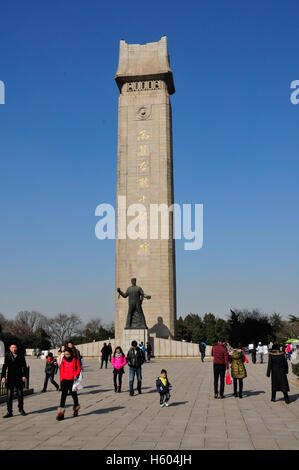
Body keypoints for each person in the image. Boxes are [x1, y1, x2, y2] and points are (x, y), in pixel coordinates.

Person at [1, 343, 27, 418]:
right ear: (10, 348)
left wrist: (24, 375)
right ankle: (9, 411)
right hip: (10, 378)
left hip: (19, 377)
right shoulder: (7, 356)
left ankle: (21, 409)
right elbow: (4, 367)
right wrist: (3, 377)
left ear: (17, 348)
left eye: (15, 347)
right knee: (9, 395)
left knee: (20, 394)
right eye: (12, 347)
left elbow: (24, 366)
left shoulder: (21, 356)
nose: (14, 348)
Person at [56, 347, 82, 420]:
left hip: (72, 380)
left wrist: (76, 375)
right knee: (63, 396)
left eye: (68, 354)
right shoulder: (63, 360)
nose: (66, 355)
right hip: (65, 380)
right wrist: (61, 380)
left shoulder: (75, 360)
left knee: (74, 395)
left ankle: (76, 409)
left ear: (71, 354)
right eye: (65, 354)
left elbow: (79, 368)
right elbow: (61, 370)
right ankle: (61, 413)